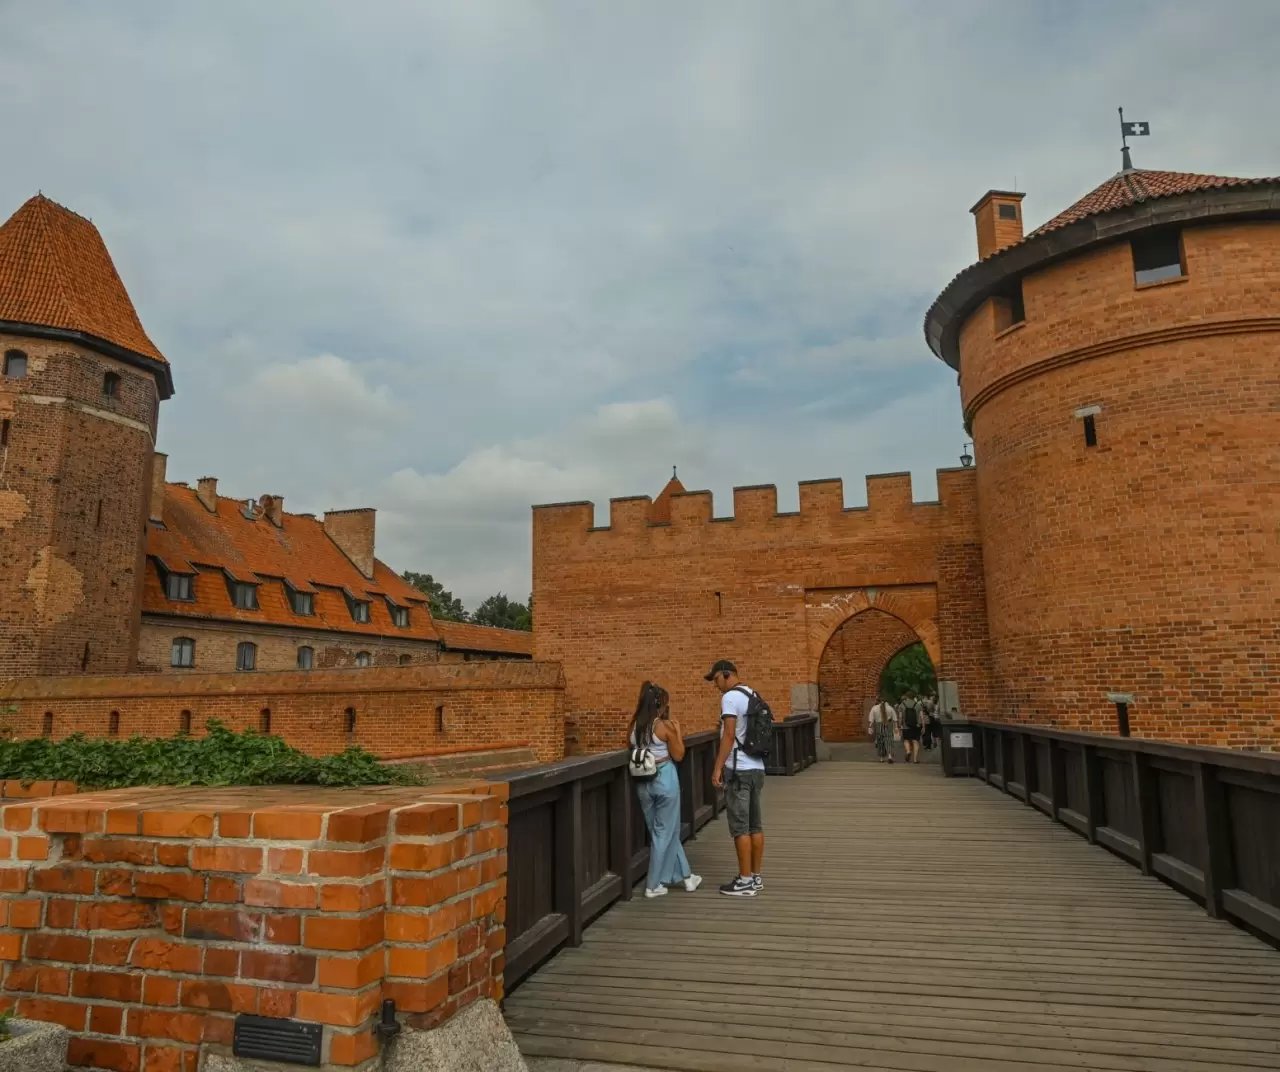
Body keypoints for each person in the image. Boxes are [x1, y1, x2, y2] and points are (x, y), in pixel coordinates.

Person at [628, 681, 701, 898]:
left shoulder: (633, 726)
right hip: (665, 778)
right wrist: (677, 731)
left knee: (660, 831)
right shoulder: (663, 726)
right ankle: (653, 885)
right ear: (660, 705)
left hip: (642, 781)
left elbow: (630, 747)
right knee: (665, 832)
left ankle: (687, 877)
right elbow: (679, 755)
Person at [707, 659, 764, 897]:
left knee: (740, 827)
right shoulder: (753, 693)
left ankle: (744, 881)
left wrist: (717, 768)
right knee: (755, 825)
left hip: (739, 769)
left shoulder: (730, 698)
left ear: (726, 674)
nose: (715, 685)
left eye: (716, 679)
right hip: (757, 767)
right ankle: (755, 877)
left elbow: (729, 735)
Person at [868, 693, 899, 763]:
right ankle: (890, 756)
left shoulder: (874, 708)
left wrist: (870, 727)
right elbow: (894, 718)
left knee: (880, 741)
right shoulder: (890, 708)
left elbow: (871, 719)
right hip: (888, 725)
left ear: (878, 701)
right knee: (888, 740)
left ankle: (881, 758)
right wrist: (896, 727)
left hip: (878, 726)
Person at [900, 691, 924, 764]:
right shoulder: (918, 705)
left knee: (906, 740)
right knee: (915, 741)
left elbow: (900, 717)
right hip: (916, 726)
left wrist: (900, 725)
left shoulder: (902, 705)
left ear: (906, 697)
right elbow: (922, 717)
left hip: (905, 725)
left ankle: (908, 751)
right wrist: (923, 726)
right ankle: (915, 759)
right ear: (914, 697)